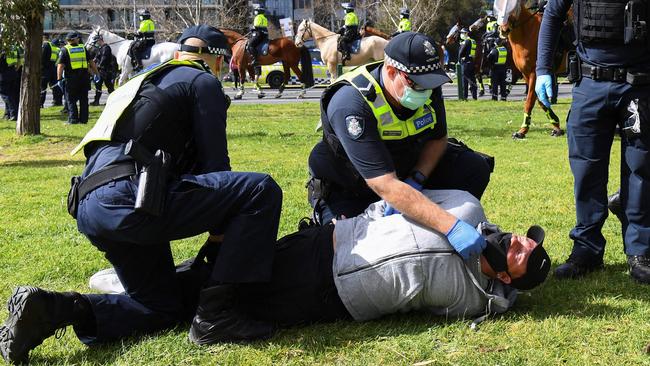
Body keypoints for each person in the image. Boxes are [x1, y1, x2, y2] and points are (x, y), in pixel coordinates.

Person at [0, 25, 283, 364]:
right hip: (130, 196)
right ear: (215, 58)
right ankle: (218, 316)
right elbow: (215, 169)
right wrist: (222, 233)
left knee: (160, 307)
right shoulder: (202, 80)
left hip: (91, 204)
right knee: (259, 189)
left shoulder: (144, 80)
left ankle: (53, 308)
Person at [87, 190, 550, 337]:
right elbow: (402, 196)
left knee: (232, 303)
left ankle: (122, 299)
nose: (518, 242)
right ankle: (143, 286)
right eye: (523, 240)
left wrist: (497, 289)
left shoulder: (477, 300)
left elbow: (485, 300)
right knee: (227, 276)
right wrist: (458, 227)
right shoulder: (467, 211)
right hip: (326, 246)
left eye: (519, 255)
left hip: (331, 297)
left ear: (509, 277)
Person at [307, 31, 493, 262]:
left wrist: (417, 178)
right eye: (419, 85)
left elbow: (437, 138)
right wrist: (451, 226)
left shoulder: (424, 84)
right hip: (352, 185)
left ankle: (426, 236)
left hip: (405, 170)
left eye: (430, 84)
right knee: (350, 257)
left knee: (473, 167)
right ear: (392, 71)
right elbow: (384, 185)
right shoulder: (351, 103)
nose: (426, 92)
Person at [535, 0, 650, 283]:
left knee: (642, 168)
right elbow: (552, 14)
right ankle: (587, 249)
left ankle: (641, 251)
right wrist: (542, 69)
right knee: (586, 169)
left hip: (639, 85)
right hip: (590, 82)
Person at [56, 31, 99, 124]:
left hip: (71, 79)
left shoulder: (65, 50)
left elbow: (60, 66)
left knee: (70, 99)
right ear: (76, 39)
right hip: (84, 78)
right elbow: (91, 63)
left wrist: (59, 78)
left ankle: (73, 119)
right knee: (84, 99)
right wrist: (96, 74)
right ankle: (83, 119)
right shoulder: (83, 48)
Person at [90, 34, 115, 106]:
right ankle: (96, 101)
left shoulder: (106, 48)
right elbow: (97, 58)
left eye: (96, 42)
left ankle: (113, 100)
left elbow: (104, 59)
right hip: (100, 71)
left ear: (99, 40)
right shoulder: (100, 48)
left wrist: (99, 66)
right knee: (98, 86)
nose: (95, 43)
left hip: (106, 71)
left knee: (109, 87)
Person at [41, 34, 63, 108]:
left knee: (42, 87)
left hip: (45, 70)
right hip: (53, 69)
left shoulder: (46, 45)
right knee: (55, 86)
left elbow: (43, 58)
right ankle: (57, 101)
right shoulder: (55, 48)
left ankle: (40, 104)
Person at [0, 46, 21, 121]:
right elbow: (19, 61)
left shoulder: (2, 48)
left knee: (5, 95)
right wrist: (15, 70)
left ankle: (13, 114)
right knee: (11, 95)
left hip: (4, 75)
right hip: (13, 73)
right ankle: (7, 114)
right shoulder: (14, 48)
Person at [247, 4, 268, 70]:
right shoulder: (264, 18)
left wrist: (252, 29)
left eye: (256, 10)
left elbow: (256, 26)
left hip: (259, 34)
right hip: (265, 34)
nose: (255, 12)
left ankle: (256, 60)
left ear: (259, 11)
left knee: (250, 45)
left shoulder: (258, 17)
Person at [458, 28, 478, 100]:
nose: (461, 34)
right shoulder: (473, 41)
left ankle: (464, 96)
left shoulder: (466, 42)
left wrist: (459, 61)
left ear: (466, 33)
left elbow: (461, 52)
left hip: (465, 63)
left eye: (462, 33)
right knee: (472, 79)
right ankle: (474, 96)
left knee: (464, 81)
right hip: (471, 62)